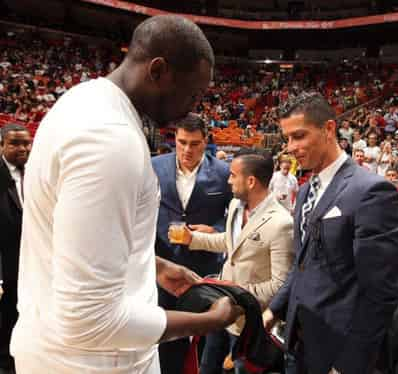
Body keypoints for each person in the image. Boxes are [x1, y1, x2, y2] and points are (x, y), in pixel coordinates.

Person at [11, 15, 241, 374]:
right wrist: (210, 320)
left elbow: (76, 244)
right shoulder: (110, 141)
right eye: (193, 93)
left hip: (69, 350)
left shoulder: (84, 100)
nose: (193, 106)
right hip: (90, 361)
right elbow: (90, 319)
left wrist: (152, 265)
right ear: (159, 70)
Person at [262, 92, 398, 374]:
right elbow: (302, 264)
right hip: (297, 338)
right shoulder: (304, 191)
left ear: (329, 129)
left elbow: (380, 293)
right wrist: (274, 309)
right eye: (287, 138)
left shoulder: (371, 191)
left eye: (299, 136)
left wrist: (349, 364)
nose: (290, 147)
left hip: (337, 351)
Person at [176, 149, 293, 374]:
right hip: (221, 314)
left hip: (250, 322)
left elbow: (279, 285)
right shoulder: (234, 206)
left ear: (250, 181)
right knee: (207, 367)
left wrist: (236, 298)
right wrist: (194, 239)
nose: (228, 181)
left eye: (232, 175)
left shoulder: (281, 223)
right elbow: (230, 242)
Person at [152, 114, 232, 374]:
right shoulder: (154, 166)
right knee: (164, 331)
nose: (187, 149)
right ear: (174, 138)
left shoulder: (223, 172)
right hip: (162, 263)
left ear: (205, 141)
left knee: (204, 333)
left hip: (204, 264)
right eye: (182, 142)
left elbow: (233, 216)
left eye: (195, 144)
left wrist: (215, 229)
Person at [0, 124, 32, 374]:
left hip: (31, 264)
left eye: (26, 143)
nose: (22, 148)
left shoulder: (34, 173)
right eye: (15, 143)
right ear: (2, 145)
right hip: (6, 266)